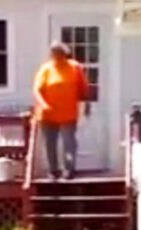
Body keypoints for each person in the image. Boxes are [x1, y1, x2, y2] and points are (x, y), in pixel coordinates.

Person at [34, 41, 90, 179]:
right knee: (50, 143)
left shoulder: (75, 67)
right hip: (48, 114)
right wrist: (43, 104)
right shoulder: (46, 69)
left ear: (65, 54)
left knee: (69, 142)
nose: (57, 57)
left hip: (68, 113)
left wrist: (87, 105)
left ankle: (69, 169)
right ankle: (53, 170)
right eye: (54, 54)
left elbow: (83, 89)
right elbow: (37, 90)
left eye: (60, 54)